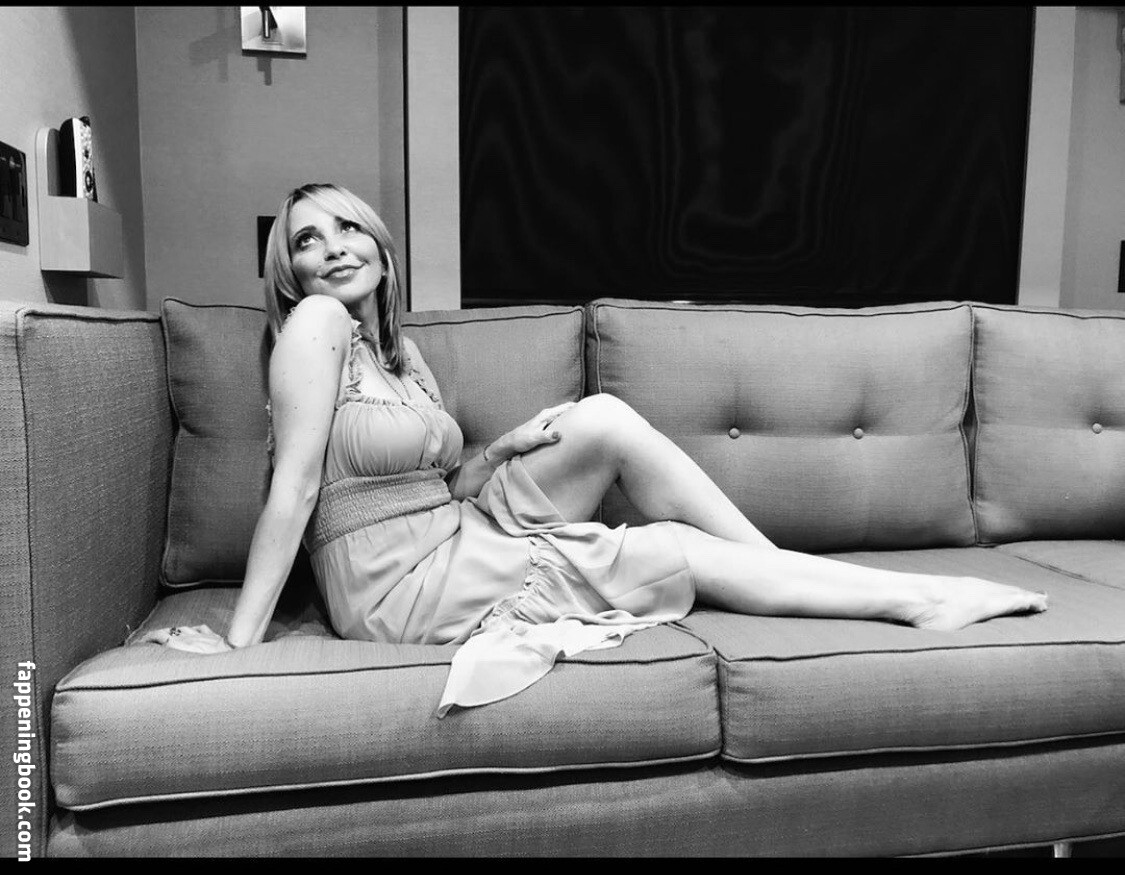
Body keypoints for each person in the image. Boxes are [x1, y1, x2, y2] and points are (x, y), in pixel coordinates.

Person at [147, 182, 1048, 715]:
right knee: (674, 548)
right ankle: (917, 599)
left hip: (450, 529)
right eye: (307, 240)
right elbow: (299, 488)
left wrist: (502, 448)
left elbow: (431, 481)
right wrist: (239, 640)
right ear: (290, 272)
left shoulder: (398, 351)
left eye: (347, 226)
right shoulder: (313, 326)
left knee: (602, 418)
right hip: (394, 583)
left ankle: (779, 568)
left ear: (379, 242)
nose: (333, 248)